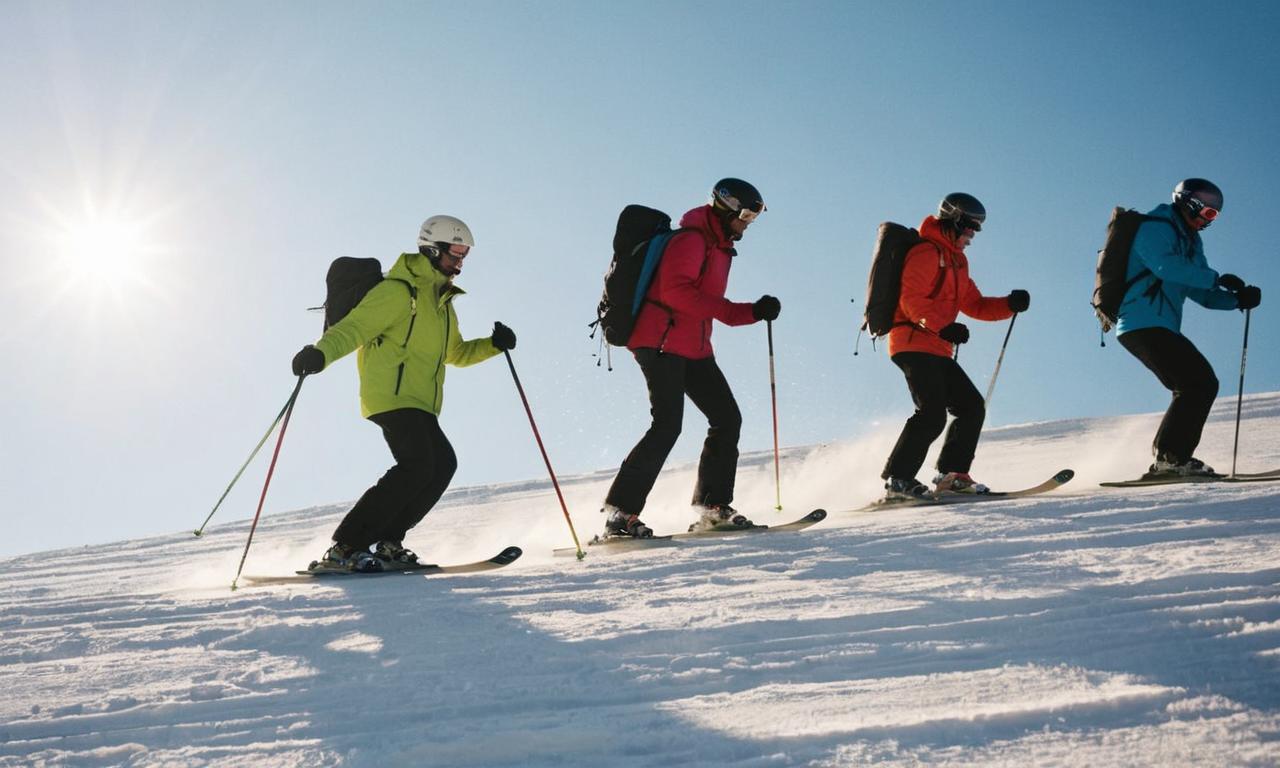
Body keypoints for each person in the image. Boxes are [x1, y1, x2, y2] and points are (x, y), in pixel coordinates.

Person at [290, 215, 516, 571]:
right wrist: (320, 354)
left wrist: (493, 345)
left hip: (422, 401)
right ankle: (345, 546)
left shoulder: (442, 304)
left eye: (464, 254)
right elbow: (353, 329)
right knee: (417, 464)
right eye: (454, 253)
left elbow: (454, 354)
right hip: (391, 395)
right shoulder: (396, 292)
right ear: (431, 248)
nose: (459, 261)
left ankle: (390, 542)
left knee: (442, 465)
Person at [600, 178, 781, 537]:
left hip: (694, 347)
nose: (747, 223)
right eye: (745, 214)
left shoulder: (720, 248)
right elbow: (676, 292)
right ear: (725, 207)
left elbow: (699, 303)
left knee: (727, 418)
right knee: (667, 424)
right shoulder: (691, 240)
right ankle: (620, 515)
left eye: (754, 217)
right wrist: (742, 312)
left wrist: (752, 312)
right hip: (660, 341)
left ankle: (713, 507)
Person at [881, 193, 1030, 500]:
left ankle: (952, 474)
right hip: (911, 342)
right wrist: (943, 326)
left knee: (972, 407)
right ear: (954, 221)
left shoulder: (958, 263)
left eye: (976, 229)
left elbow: (974, 304)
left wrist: (1009, 304)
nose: (973, 234)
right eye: (970, 227)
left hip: (937, 347)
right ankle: (898, 479)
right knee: (932, 413)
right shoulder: (925, 252)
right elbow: (912, 301)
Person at [1115, 178, 1261, 478]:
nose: (1208, 221)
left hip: (1160, 326)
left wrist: (1236, 300)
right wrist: (1216, 277)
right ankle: (1170, 460)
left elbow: (1202, 292)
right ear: (1190, 203)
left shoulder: (1191, 241)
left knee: (1195, 384)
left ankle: (1170, 457)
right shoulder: (1156, 226)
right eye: (1207, 213)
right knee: (1198, 383)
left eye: (1214, 216)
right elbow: (1165, 267)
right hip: (1140, 322)